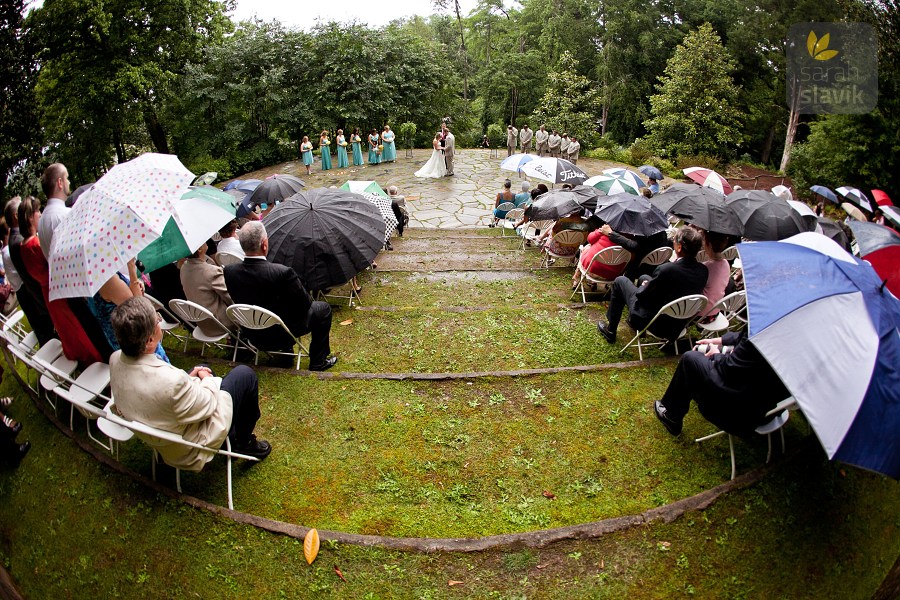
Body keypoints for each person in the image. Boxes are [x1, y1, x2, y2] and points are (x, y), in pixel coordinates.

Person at [109, 296, 272, 467]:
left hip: (158, 424)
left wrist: (191, 376)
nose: (160, 320)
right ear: (149, 340)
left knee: (202, 367)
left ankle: (231, 434)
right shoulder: (172, 382)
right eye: (157, 319)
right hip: (190, 444)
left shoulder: (114, 359)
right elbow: (208, 404)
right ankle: (244, 442)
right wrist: (206, 378)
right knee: (244, 375)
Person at [223, 221, 337, 371]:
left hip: (253, 333)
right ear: (264, 244)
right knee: (322, 308)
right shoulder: (282, 273)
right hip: (282, 332)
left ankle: (287, 353)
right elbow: (305, 304)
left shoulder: (229, 271)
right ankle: (318, 361)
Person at [17, 196, 109, 365]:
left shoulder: (23, 246)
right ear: (30, 217)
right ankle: (94, 360)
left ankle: (84, 361)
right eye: (37, 211)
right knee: (78, 327)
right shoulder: (34, 245)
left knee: (69, 329)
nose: (39, 214)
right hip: (57, 290)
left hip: (49, 294)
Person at [653, 331, 790, 437]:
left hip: (739, 411)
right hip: (771, 411)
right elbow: (745, 335)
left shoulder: (765, 328)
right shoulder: (798, 338)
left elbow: (730, 368)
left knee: (690, 359)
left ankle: (671, 417)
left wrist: (716, 354)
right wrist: (718, 340)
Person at [597, 226, 708, 345]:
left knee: (620, 281)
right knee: (644, 277)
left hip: (655, 322)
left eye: (674, 240)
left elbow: (642, 295)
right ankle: (629, 323)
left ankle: (610, 331)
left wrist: (644, 287)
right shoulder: (703, 270)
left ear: (679, 247)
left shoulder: (666, 270)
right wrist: (648, 284)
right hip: (677, 324)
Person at [88, 258, 169, 363]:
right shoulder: (107, 279)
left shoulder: (96, 275)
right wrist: (132, 270)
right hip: (136, 335)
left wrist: (135, 285)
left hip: (126, 335)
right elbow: (139, 306)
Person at [180, 242, 236, 337]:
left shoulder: (184, 267)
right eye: (203, 241)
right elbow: (230, 298)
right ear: (199, 249)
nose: (206, 241)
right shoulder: (211, 272)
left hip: (202, 323)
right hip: (220, 324)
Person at [600, 223, 670, 281]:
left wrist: (611, 233)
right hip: (659, 264)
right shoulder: (661, 229)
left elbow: (634, 246)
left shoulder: (646, 232)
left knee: (622, 257)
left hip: (641, 268)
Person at [37, 163, 71, 259]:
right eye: (67, 178)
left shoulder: (41, 221)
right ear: (60, 182)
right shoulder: (67, 215)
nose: (69, 182)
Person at [698, 230, 731, 321]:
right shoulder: (726, 263)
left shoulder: (706, 267)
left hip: (701, 315)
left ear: (709, 245)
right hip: (715, 311)